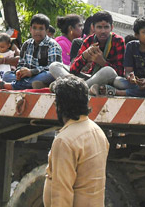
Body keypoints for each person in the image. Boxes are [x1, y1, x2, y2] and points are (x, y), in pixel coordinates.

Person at [43, 77, 110, 207]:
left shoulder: (65, 140)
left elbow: (62, 192)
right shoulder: (97, 131)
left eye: (56, 101)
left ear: (61, 105)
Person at [49, 11, 124, 94]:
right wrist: (85, 56)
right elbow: (73, 69)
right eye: (99, 27)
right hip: (89, 78)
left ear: (111, 27)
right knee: (54, 65)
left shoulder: (118, 41)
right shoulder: (89, 40)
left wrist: (102, 62)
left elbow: (119, 72)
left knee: (108, 71)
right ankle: (79, 89)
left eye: (106, 27)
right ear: (93, 27)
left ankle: (69, 88)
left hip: (104, 78)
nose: (103, 31)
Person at [0, 13, 63, 90]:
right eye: (34, 28)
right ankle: (35, 85)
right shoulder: (26, 44)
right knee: (7, 76)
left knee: (49, 75)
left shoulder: (52, 45)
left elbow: (52, 68)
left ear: (47, 31)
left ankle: (13, 86)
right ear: (30, 29)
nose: (37, 31)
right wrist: (20, 72)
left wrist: (31, 72)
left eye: (41, 28)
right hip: (28, 77)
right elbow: (21, 64)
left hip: (41, 75)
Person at [112, 17, 145, 97]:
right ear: (136, 35)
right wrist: (130, 78)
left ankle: (124, 93)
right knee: (117, 81)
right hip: (137, 84)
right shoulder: (131, 46)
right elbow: (128, 71)